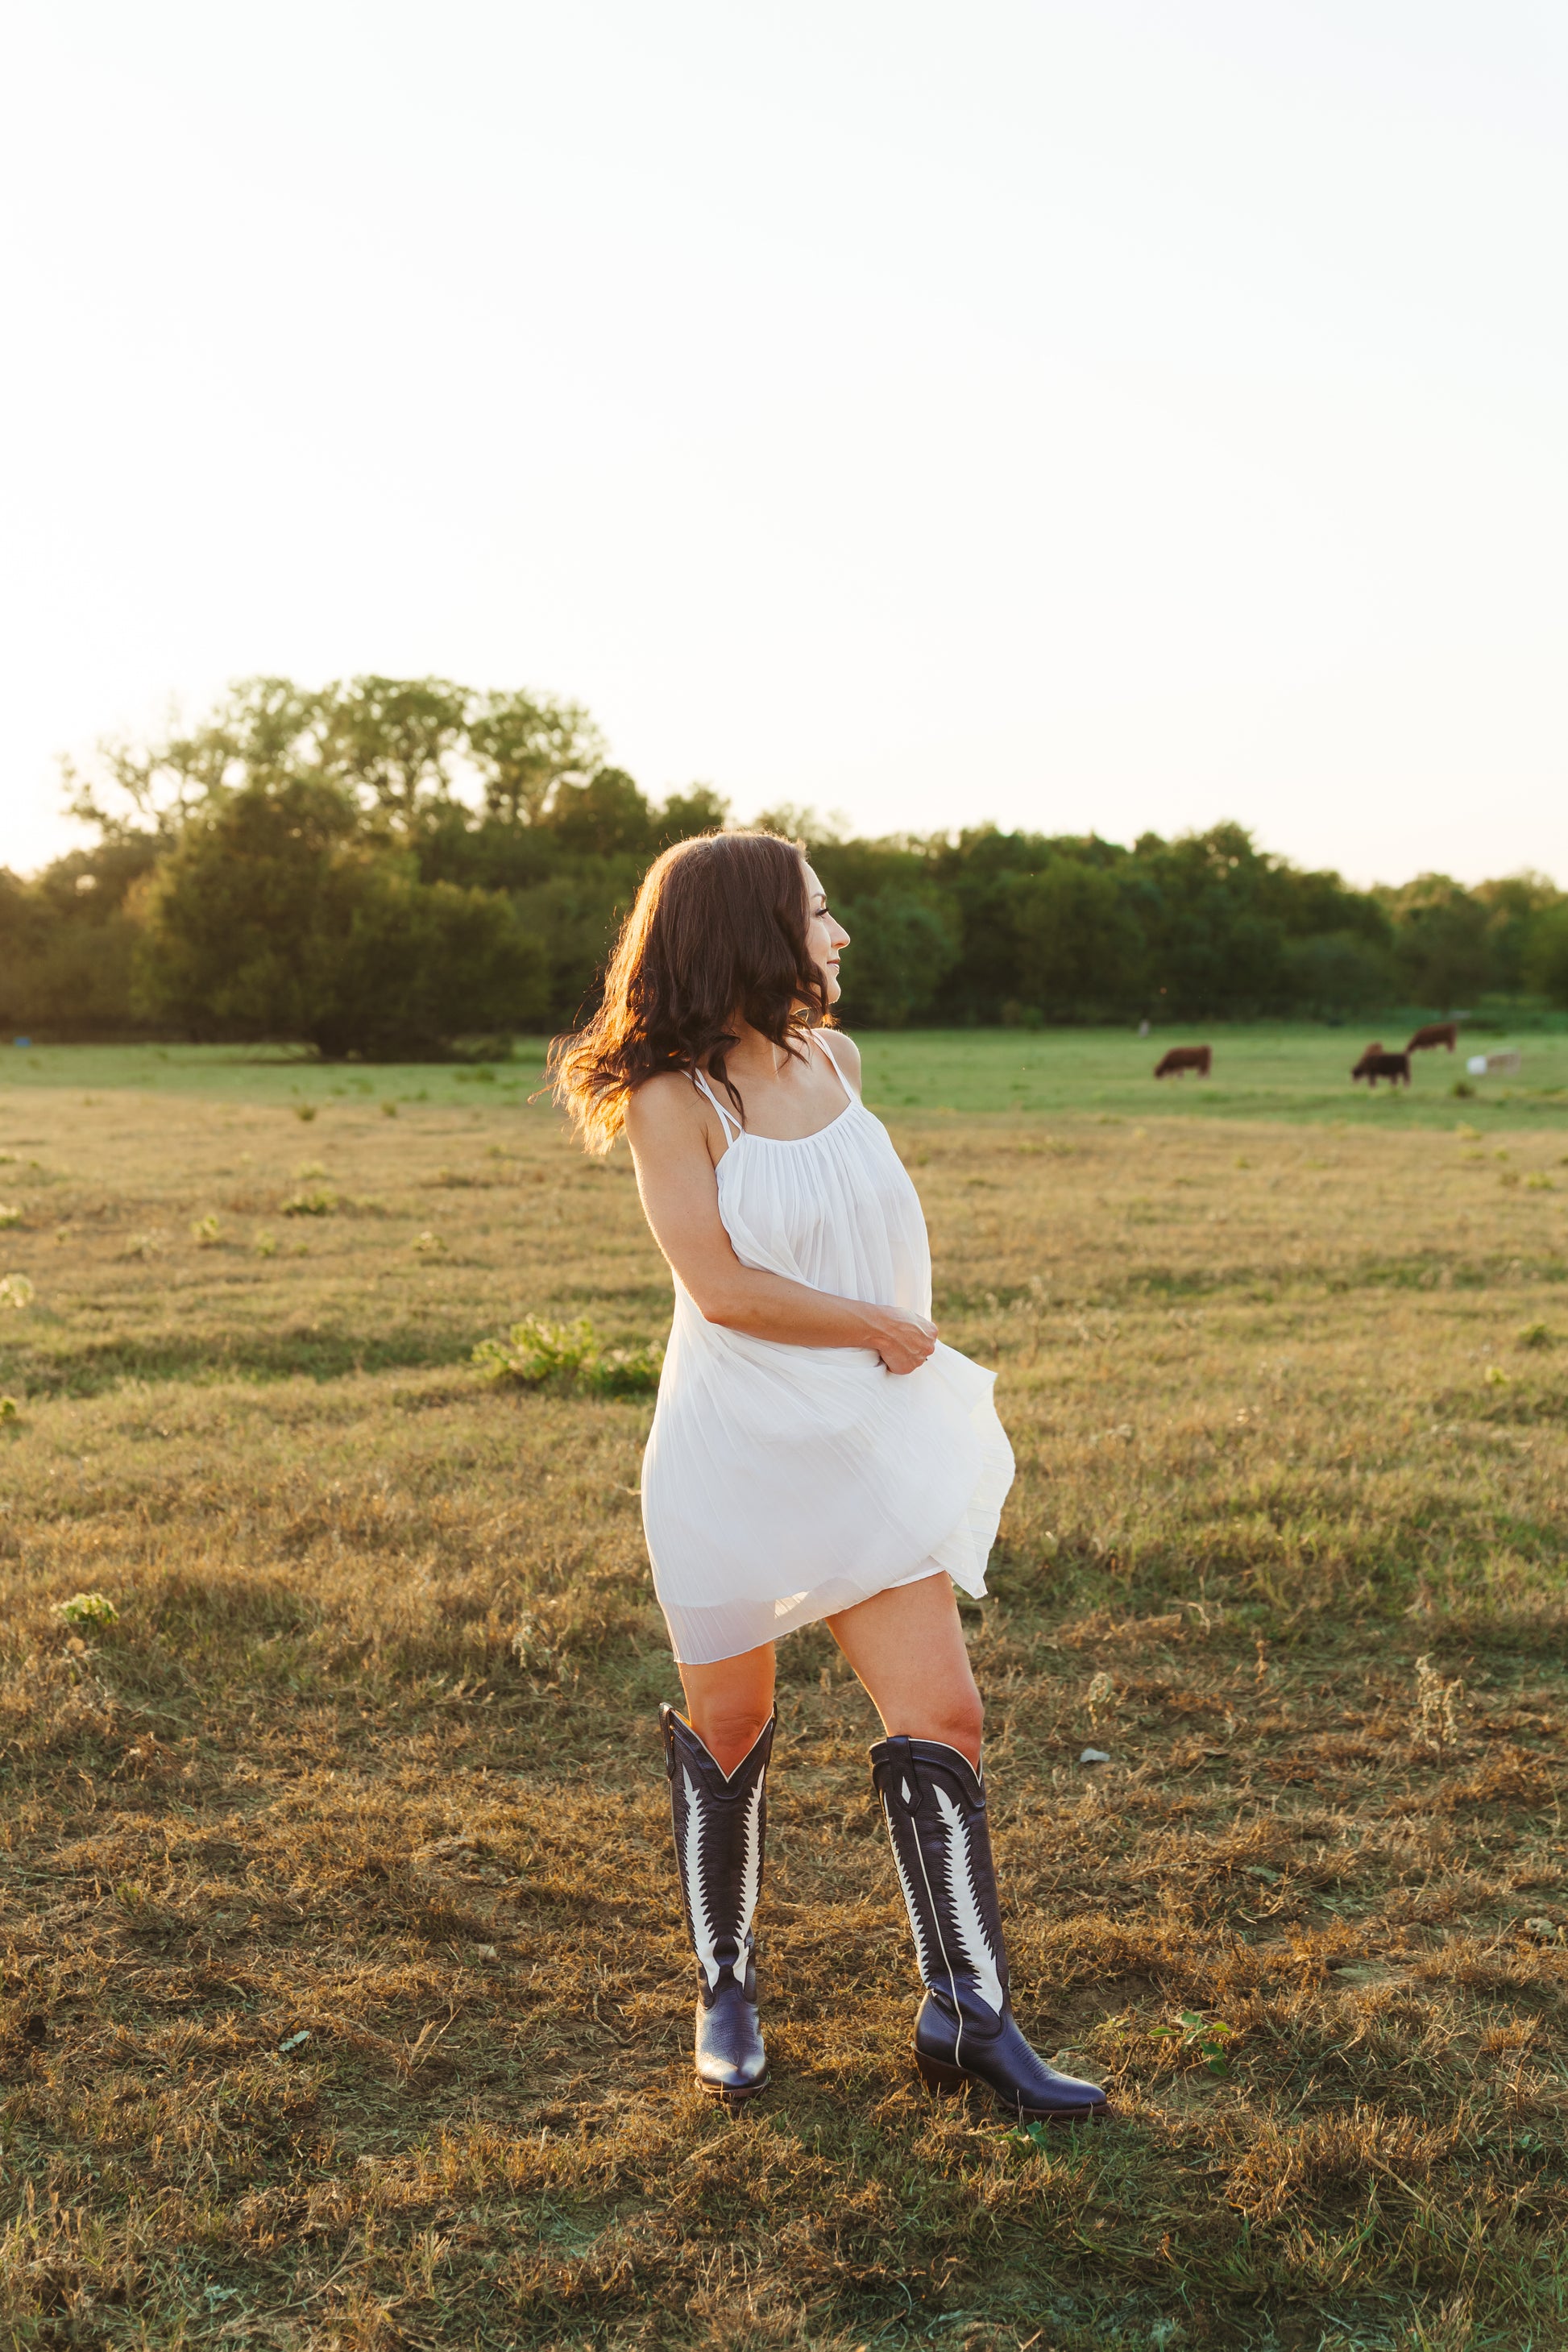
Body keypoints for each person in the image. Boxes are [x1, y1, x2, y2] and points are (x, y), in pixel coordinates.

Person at [550, 830, 1105, 2123]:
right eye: (816, 912)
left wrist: (878, 1344)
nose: (839, 933)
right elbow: (722, 1288)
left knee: (945, 1718)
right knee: (732, 1725)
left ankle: (964, 2012)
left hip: (862, 1443)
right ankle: (726, 1985)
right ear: (749, 930)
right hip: (735, 1452)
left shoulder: (834, 1062)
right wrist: (870, 1325)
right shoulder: (675, 1100)